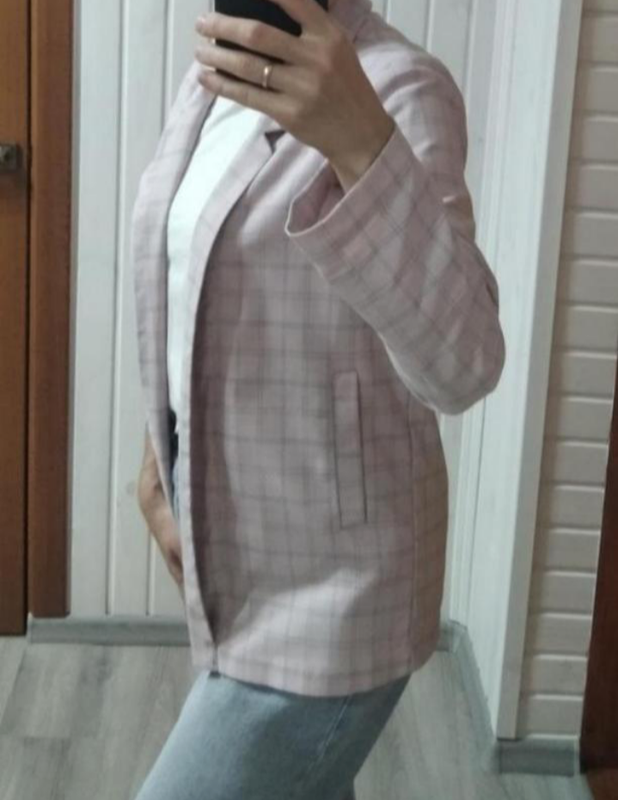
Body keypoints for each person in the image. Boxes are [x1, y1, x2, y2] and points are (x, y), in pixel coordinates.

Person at [132, 0, 506, 797]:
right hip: (231, 551)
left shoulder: (400, 89)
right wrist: (159, 454)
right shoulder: (213, 78)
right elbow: (190, 280)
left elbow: (465, 364)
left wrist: (361, 142)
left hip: (336, 591)